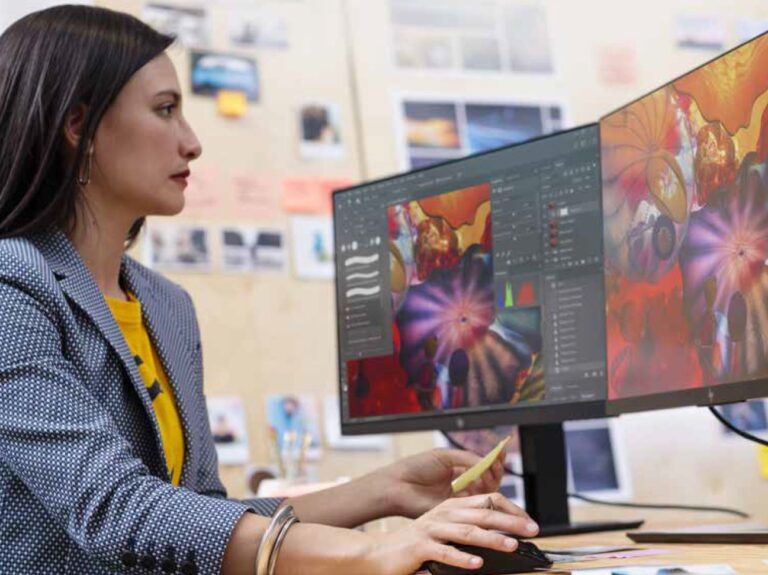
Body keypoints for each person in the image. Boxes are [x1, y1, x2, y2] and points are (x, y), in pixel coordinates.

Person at [0, 6, 538, 575]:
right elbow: (115, 509)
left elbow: (201, 519)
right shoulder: (14, 285)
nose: (193, 143)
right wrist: (374, 552)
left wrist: (387, 490)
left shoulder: (166, 306)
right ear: (78, 125)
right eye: (165, 111)